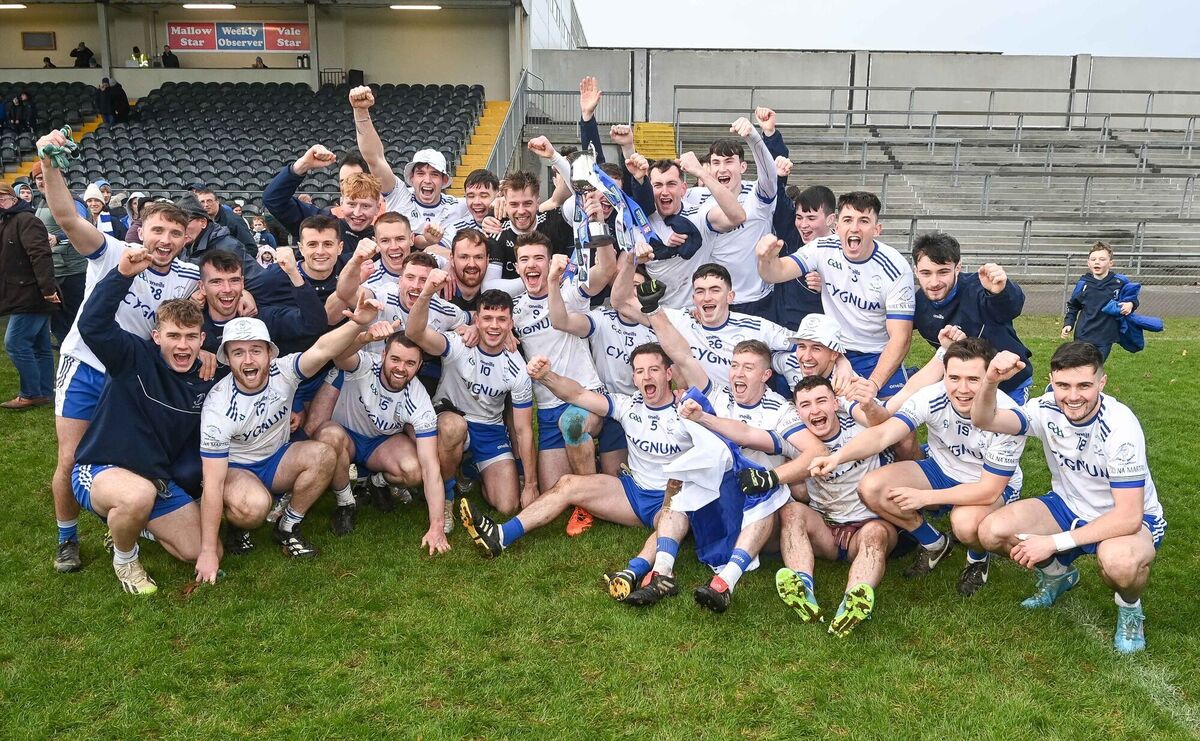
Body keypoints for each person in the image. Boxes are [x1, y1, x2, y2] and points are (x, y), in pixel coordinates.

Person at [37, 126, 203, 575]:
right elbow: (66, 217)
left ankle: (134, 514)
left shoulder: (189, 275)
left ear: (186, 237)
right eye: (157, 230)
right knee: (71, 456)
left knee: (134, 452)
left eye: (174, 232)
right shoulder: (111, 250)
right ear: (140, 230)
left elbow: (209, 308)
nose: (164, 240)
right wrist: (49, 162)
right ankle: (67, 537)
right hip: (89, 364)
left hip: (131, 372)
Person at [973, 342, 1166, 654]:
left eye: (1084, 385)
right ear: (1051, 381)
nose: (1073, 396)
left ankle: (1130, 609)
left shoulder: (1120, 425)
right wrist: (991, 380)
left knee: (1121, 564)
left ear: (1102, 382)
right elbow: (985, 419)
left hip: (1127, 518)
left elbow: (1129, 515)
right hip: (1068, 505)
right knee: (990, 531)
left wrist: (1053, 542)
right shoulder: (1045, 408)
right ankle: (1058, 576)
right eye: (1063, 385)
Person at [809, 337, 1027, 596]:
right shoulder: (932, 396)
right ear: (944, 375)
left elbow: (988, 490)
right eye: (954, 378)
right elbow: (882, 434)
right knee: (872, 487)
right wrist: (837, 457)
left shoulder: (1008, 415)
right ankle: (935, 543)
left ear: (990, 378)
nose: (963, 389)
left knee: (965, 524)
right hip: (941, 470)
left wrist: (925, 497)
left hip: (987, 483)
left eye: (974, 379)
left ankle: (977, 559)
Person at [195, 292, 380, 581]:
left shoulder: (284, 371)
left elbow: (322, 349)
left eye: (256, 350)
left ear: (270, 353)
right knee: (254, 509)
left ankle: (287, 527)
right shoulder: (218, 406)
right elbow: (213, 483)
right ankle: (238, 522)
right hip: (238, 468)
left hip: (276, 459)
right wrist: (207, 550)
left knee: (324, 454)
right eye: (238, 352)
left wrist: (357, 325)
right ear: (228, 359)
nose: (248, 359)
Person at [69, 252, 216, 595]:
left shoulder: (205, 375)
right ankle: (125, 557)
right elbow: (92, 324)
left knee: (197, 551)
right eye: (174, 335)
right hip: (102, 467)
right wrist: (121, 275)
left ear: (201, 340)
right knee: (136, 495)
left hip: (156, 481)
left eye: (191, 337)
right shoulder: (130, 356)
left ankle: (136, 524)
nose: (183, 345)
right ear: (156, 336)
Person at [743, 376, 903, 637]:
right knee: (791, 511)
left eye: (821, 401)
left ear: (835, 403)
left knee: (876, 533)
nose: (814, 410)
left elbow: (889, 425)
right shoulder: (796, 440)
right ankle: (802, 587)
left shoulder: (862, 430)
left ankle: (854, 599)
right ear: (797, 411)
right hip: (825, 529)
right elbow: (749, 434)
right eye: (805, 405)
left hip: (866, 525)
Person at [406, 271, 536, 522]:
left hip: (489, 430)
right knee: (454, 426)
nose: (494, 326)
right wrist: (427, 293)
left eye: (501, 320)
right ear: (477, 319)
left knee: (507, 506)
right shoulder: (458, 344)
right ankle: (445, 495)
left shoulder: (518, 369)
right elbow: (414, 332)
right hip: (450, 419)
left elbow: (523, 430)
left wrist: (530, 484)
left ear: (511, 323)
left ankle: (468, 467)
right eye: (487, 318)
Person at [313, 328, 458, 554]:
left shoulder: (419, 401)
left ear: (419, 367)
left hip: (379, 444)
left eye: (410, 363)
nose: (401, 368)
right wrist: (363, 339)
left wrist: (436, 527)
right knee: (328, 437)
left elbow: (431, 467)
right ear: (383, 356)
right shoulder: (365, 365)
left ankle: (376, 482)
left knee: (415, 471)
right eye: (395, 359)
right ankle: (345, 504)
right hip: (345, 434)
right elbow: (339, 357)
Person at [757, 192, 915, 399]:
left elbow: (901, 337)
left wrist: (873, 384)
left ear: (877, 230)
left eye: (864, 221)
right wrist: (766, 259)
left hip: (875, 353)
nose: (854, 228)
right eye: (848, 220)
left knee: (896, 425)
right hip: (831, 348)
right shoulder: (822, 248)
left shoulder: (896, 268)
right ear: (837, 226)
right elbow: (775, 273)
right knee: (822, 413)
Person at [510, 232, 612, 493]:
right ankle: (589, 456)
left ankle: (592, 500)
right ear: (517, 267)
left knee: (572, 425)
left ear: (550, 262)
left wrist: (599, 225)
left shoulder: (570, 293)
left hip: (584, 397)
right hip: (547, 407)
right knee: (553, 488)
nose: (531, 265)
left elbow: (606, 270)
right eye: (524, 259)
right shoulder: (516, 311)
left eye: (538, 258)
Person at [912, 231, 1034, 404]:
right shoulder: (917, 302)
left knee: (1004, 429)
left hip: (1008, 383)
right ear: (915, 271)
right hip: (965, 386)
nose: (934, 282)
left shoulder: (979, 286)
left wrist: (1002, 290)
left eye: (943, 272)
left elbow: (1011, 308)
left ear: (958, 267)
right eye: (926, 273)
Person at [348, 86, 468, 249]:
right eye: (420, 173)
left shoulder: (458, 206)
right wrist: (361, 111)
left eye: (434, 174)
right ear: (411, 178)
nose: (427, 180)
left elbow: (488, 203)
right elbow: (374, 158)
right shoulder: (400, 196)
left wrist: (500, 201)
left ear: (444, 180)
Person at [684, 115, 779, 319]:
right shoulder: (696, 197)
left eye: (729, 162)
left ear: (742, 167)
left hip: (756, 301)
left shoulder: (757, 197)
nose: (722, 169)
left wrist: (754, 138)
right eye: (716, 163)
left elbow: (771, 175)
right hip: (715, 301)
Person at [639, 155, 745, 310]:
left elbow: (738, 216)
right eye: (658, 185)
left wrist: (702, 173)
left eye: (671, 184)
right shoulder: (641, 221)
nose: (665, 192)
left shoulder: (699, 214)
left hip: (700, 312)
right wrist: (636, 259)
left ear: (683, 189)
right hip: (662, 314)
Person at [0, 182, 59, 410]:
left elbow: (40, 255)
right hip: (26, 292)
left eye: (2, 198)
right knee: (40, 344)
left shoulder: (26, 220)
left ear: (12, 198)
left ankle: (31, 392)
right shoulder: (9, 220)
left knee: (15, 342)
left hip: (33, 293)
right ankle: (44, 391)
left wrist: (47, 290)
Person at [263, 146, 381, 258]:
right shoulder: (320, 222)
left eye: (354, 180)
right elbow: (273, 199)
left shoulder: (386, 238)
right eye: (343, 182)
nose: (348, 187)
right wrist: (303, 165)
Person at [31, 161, 88, 345]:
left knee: (76, 321)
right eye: (38, 178)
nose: (42, 181)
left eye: (45, 177)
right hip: (53, 271)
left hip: (73, 272)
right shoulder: (41, 202)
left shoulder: (72, 201)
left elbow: (82, 226)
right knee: (58, 322)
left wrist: (58, 237)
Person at [1062, 242, 1136, 361]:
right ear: (1088, 263)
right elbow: (1073, 306)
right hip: (1083, 335)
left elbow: (1132, 298)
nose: (1097, 262)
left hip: (1105, 336)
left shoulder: (1120, 282)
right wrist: (1068, 323)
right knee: (1081, 366)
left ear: (1110, 263)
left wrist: (1130, 304)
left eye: (1102, 259)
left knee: (1096, 367)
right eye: (1093, 259)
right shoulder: (1083, 284)